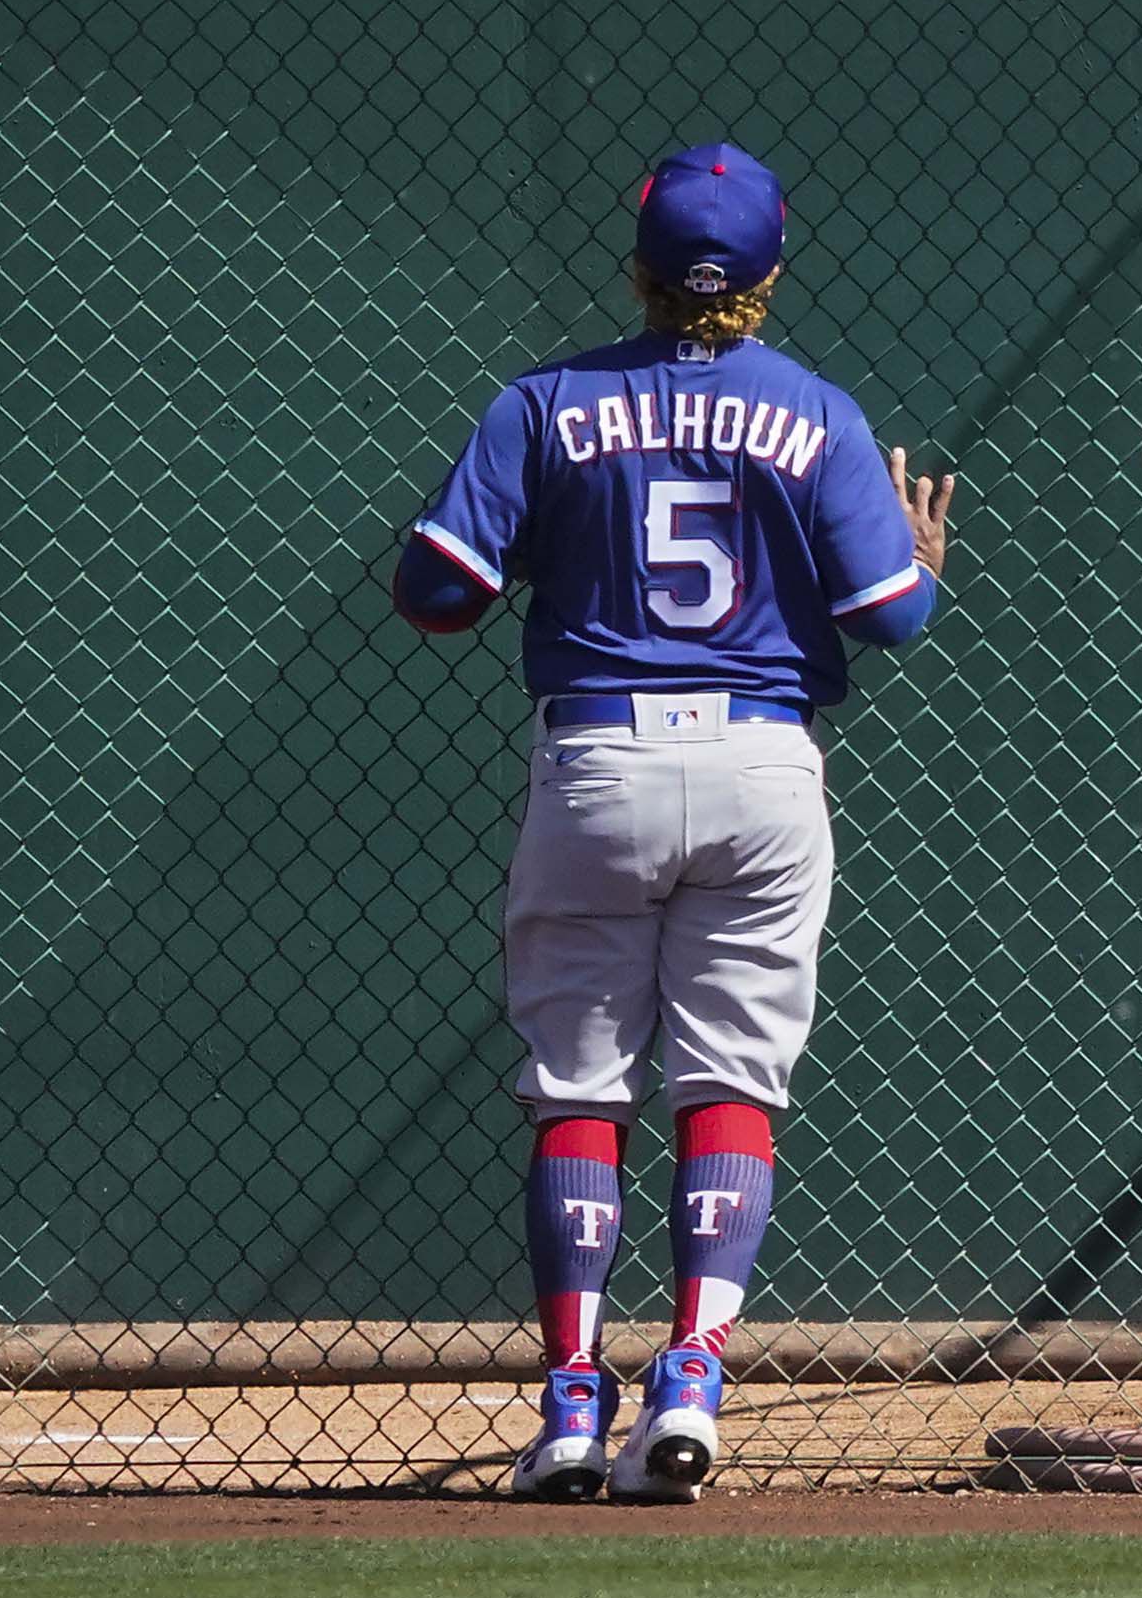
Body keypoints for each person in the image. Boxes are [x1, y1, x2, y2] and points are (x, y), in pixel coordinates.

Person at [393, 141, 955, 1502]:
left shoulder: (545, 404)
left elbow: (434, 594)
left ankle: (573, 1404)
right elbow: (892, 618)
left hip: (595, 768)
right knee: (729, 1085)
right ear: (768, 274)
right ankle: (692, 1373)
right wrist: (921, 557)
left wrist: (537, 532)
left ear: (638, 268)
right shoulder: (814, 411)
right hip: (763, 769)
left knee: (582, 1086)